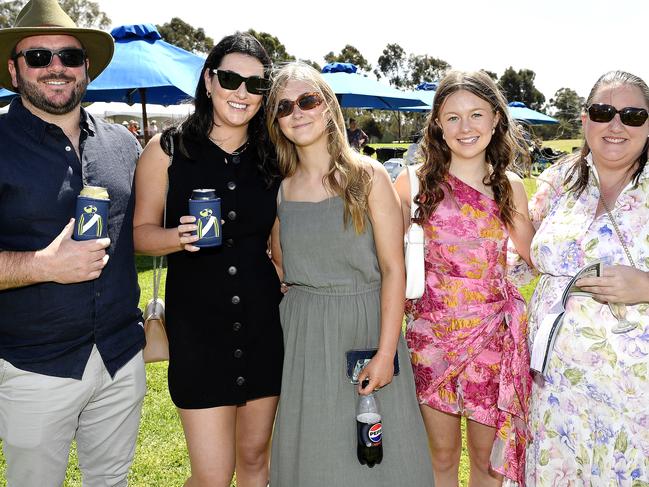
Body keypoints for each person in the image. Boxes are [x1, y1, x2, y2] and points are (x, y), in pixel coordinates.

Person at [266, 62, 433, 486]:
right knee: (316, 454)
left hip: (366, 326)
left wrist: (384, 352)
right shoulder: (281, 188)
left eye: (308, 101)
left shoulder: (368, 176)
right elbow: (282, 263)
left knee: (378, 461)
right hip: (303, 336)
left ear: (328, 108)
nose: (297, 113)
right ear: (276, 121)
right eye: (284, 107)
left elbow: (395, 269)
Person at [0, 0, 145, 486]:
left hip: (122, 357)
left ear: (87, 68)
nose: (56, 67)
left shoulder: (123, 145)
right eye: (38, 57)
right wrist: (43, 264)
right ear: (14, 70)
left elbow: (147, 230)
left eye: (70, 56)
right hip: (35, 365)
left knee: (111, 481)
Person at [133, 33, 282, 487]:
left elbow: (279, 240)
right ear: (209, 80)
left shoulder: (274, 155)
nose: (241, 93)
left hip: (262, 324)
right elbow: (139, 236)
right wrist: (176, 238)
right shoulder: (168, 149)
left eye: (256, 85)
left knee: (257, 461)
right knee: (214, 474)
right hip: (198, 328)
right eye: (231, 79)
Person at [394, 70, 535, 486]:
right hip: (430, 338)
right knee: (438, 455)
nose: (465, 127)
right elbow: (383, 257)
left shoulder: (509, 186)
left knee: (485, 460)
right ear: (437, 122)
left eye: (476, 114)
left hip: (491, 338)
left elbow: (537, 254)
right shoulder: (414, 183)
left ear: (496, 119)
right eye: (452, 117)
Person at [525, 71, 649, 485]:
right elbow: (517, 256)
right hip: (556, 393)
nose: (616, 125)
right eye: (603, 112)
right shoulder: (560, 180)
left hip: (635, 399)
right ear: (584, 120)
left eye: (633, 115)